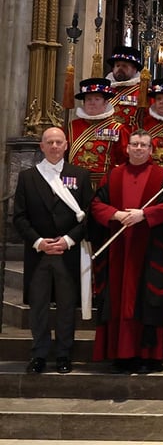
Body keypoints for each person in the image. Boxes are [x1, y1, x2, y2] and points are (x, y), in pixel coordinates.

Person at [90, 129, 163, 374]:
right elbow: (97, 205)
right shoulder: (113, 176)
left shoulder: (162, 177)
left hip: (150, 251)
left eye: (144, 145)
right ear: (127, 148)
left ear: (151, 151)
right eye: (135, 144)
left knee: (148, 300)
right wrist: (116, 214)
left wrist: (145, 214)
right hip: (118, 251)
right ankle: (121, 354)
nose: (139, 149)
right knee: (118, 299)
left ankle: (149, 355)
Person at [13, 127, 93, 374]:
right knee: (38, 306)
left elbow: (89, 216)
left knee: (67, 306)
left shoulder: (80, 175)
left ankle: (63, 354)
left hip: (67, 252)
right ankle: (38, 354)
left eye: (59, 142)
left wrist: (68, 240)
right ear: (42, 146)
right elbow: (20, 217)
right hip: (38, 253)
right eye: (50, 142)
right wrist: (39, 242)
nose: (55, 146)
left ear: (66, 145)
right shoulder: (28, 177)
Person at [67, 78, 130, 187]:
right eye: (89, 99)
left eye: (97, 99)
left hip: (104, 184)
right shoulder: (72, 126)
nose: (92, 103)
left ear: (106, 103)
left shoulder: (117, 128)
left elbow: (125, 160)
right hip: (74, 182)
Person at [105, 45, 144, 128]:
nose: (120, 69)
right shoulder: (105, 89)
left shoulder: (143, 91)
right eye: (117, 65)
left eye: (124, 66)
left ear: (135, 69)